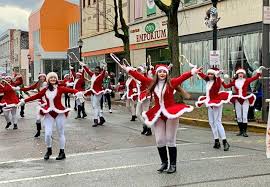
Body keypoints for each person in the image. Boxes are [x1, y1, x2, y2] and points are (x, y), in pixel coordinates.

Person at [120, 63, 201, 174]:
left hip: (170, 113)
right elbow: (140, 77)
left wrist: (192, 72)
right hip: (158, 113)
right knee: (159, 140)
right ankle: (164, 163)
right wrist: (129, 70)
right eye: (160, 72)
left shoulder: (171, 82)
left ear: (167, 74)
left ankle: (173, 165)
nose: (162, 74)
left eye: (164, 72)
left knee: (170, 139)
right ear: (157, 73)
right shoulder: (151, 83)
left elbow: (182, 77)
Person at [18, 72, 83, 160]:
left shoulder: (60, 88)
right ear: (48, 80)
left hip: (59, 113)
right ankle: (49, 149)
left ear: (56, 79)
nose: (53, 79)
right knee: (48, 134)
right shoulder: (45, 90)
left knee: (61, 133)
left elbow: (71, 90)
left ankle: (62, 152)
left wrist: (77, 93)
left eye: (54, 78)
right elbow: (37, 96)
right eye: (51, 78)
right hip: (49, 113)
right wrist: (24, 101)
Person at [195, 68, 231, 151]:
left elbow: (218, 86)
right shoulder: (208, 81)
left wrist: (218, 76)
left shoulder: (217, 81)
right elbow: (202, 75)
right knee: (211, 122)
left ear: (215, 75)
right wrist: (196, 70)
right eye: (209, 74)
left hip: (216, 103)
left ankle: (225, 142)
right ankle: (216, 141)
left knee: (217, 122)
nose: (210, 75)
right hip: (209, 102)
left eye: (212, 74)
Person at [222, 67, 263, 137]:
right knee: (238, 116)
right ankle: (240, 131)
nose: (240, 74)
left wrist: (258, 72)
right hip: (238, 99)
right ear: (237, 74)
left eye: (242, 73)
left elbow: (255, 77)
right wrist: (222, 81)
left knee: (244, 116)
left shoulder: (246, 80)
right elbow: (226, 86)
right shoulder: (234, 81)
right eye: (239, 73)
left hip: (245, 100)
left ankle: (244, 131)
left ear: (244, 74)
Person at [18, 73, 47, 137]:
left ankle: (48, 131)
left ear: (45, 78)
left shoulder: (48, 84)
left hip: (48, 103)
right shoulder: (38, 84)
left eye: (43, 77)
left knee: (46, 119)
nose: (42, 78)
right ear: (39, 78)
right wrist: (19, 89)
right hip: (40, 102)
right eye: (41, 77)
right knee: (38, 118)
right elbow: (29, 88)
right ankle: (38, 131)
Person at [80, 62, 106, 127]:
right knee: (96, 106)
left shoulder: (100, 76)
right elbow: (88, 71)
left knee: (95, 106)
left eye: (98, 70)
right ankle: (102, 119)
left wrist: (104, 68)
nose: (96, 71)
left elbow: (103, 73)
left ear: (99, 71)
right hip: (92, 92)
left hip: (98, 93)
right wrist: (84, 65)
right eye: (95, 70)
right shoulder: (93, 75)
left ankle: (95, 120)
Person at [135, 65, 152, 136]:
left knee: (145, 113)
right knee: (137, 114)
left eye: (140, 70)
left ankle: (149, 129)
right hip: (140, 96)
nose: (138, 71)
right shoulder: (137, 78)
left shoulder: (145, 77)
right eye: (137, 70)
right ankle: (145, 126)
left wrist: (145, 71)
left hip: (146, 95)